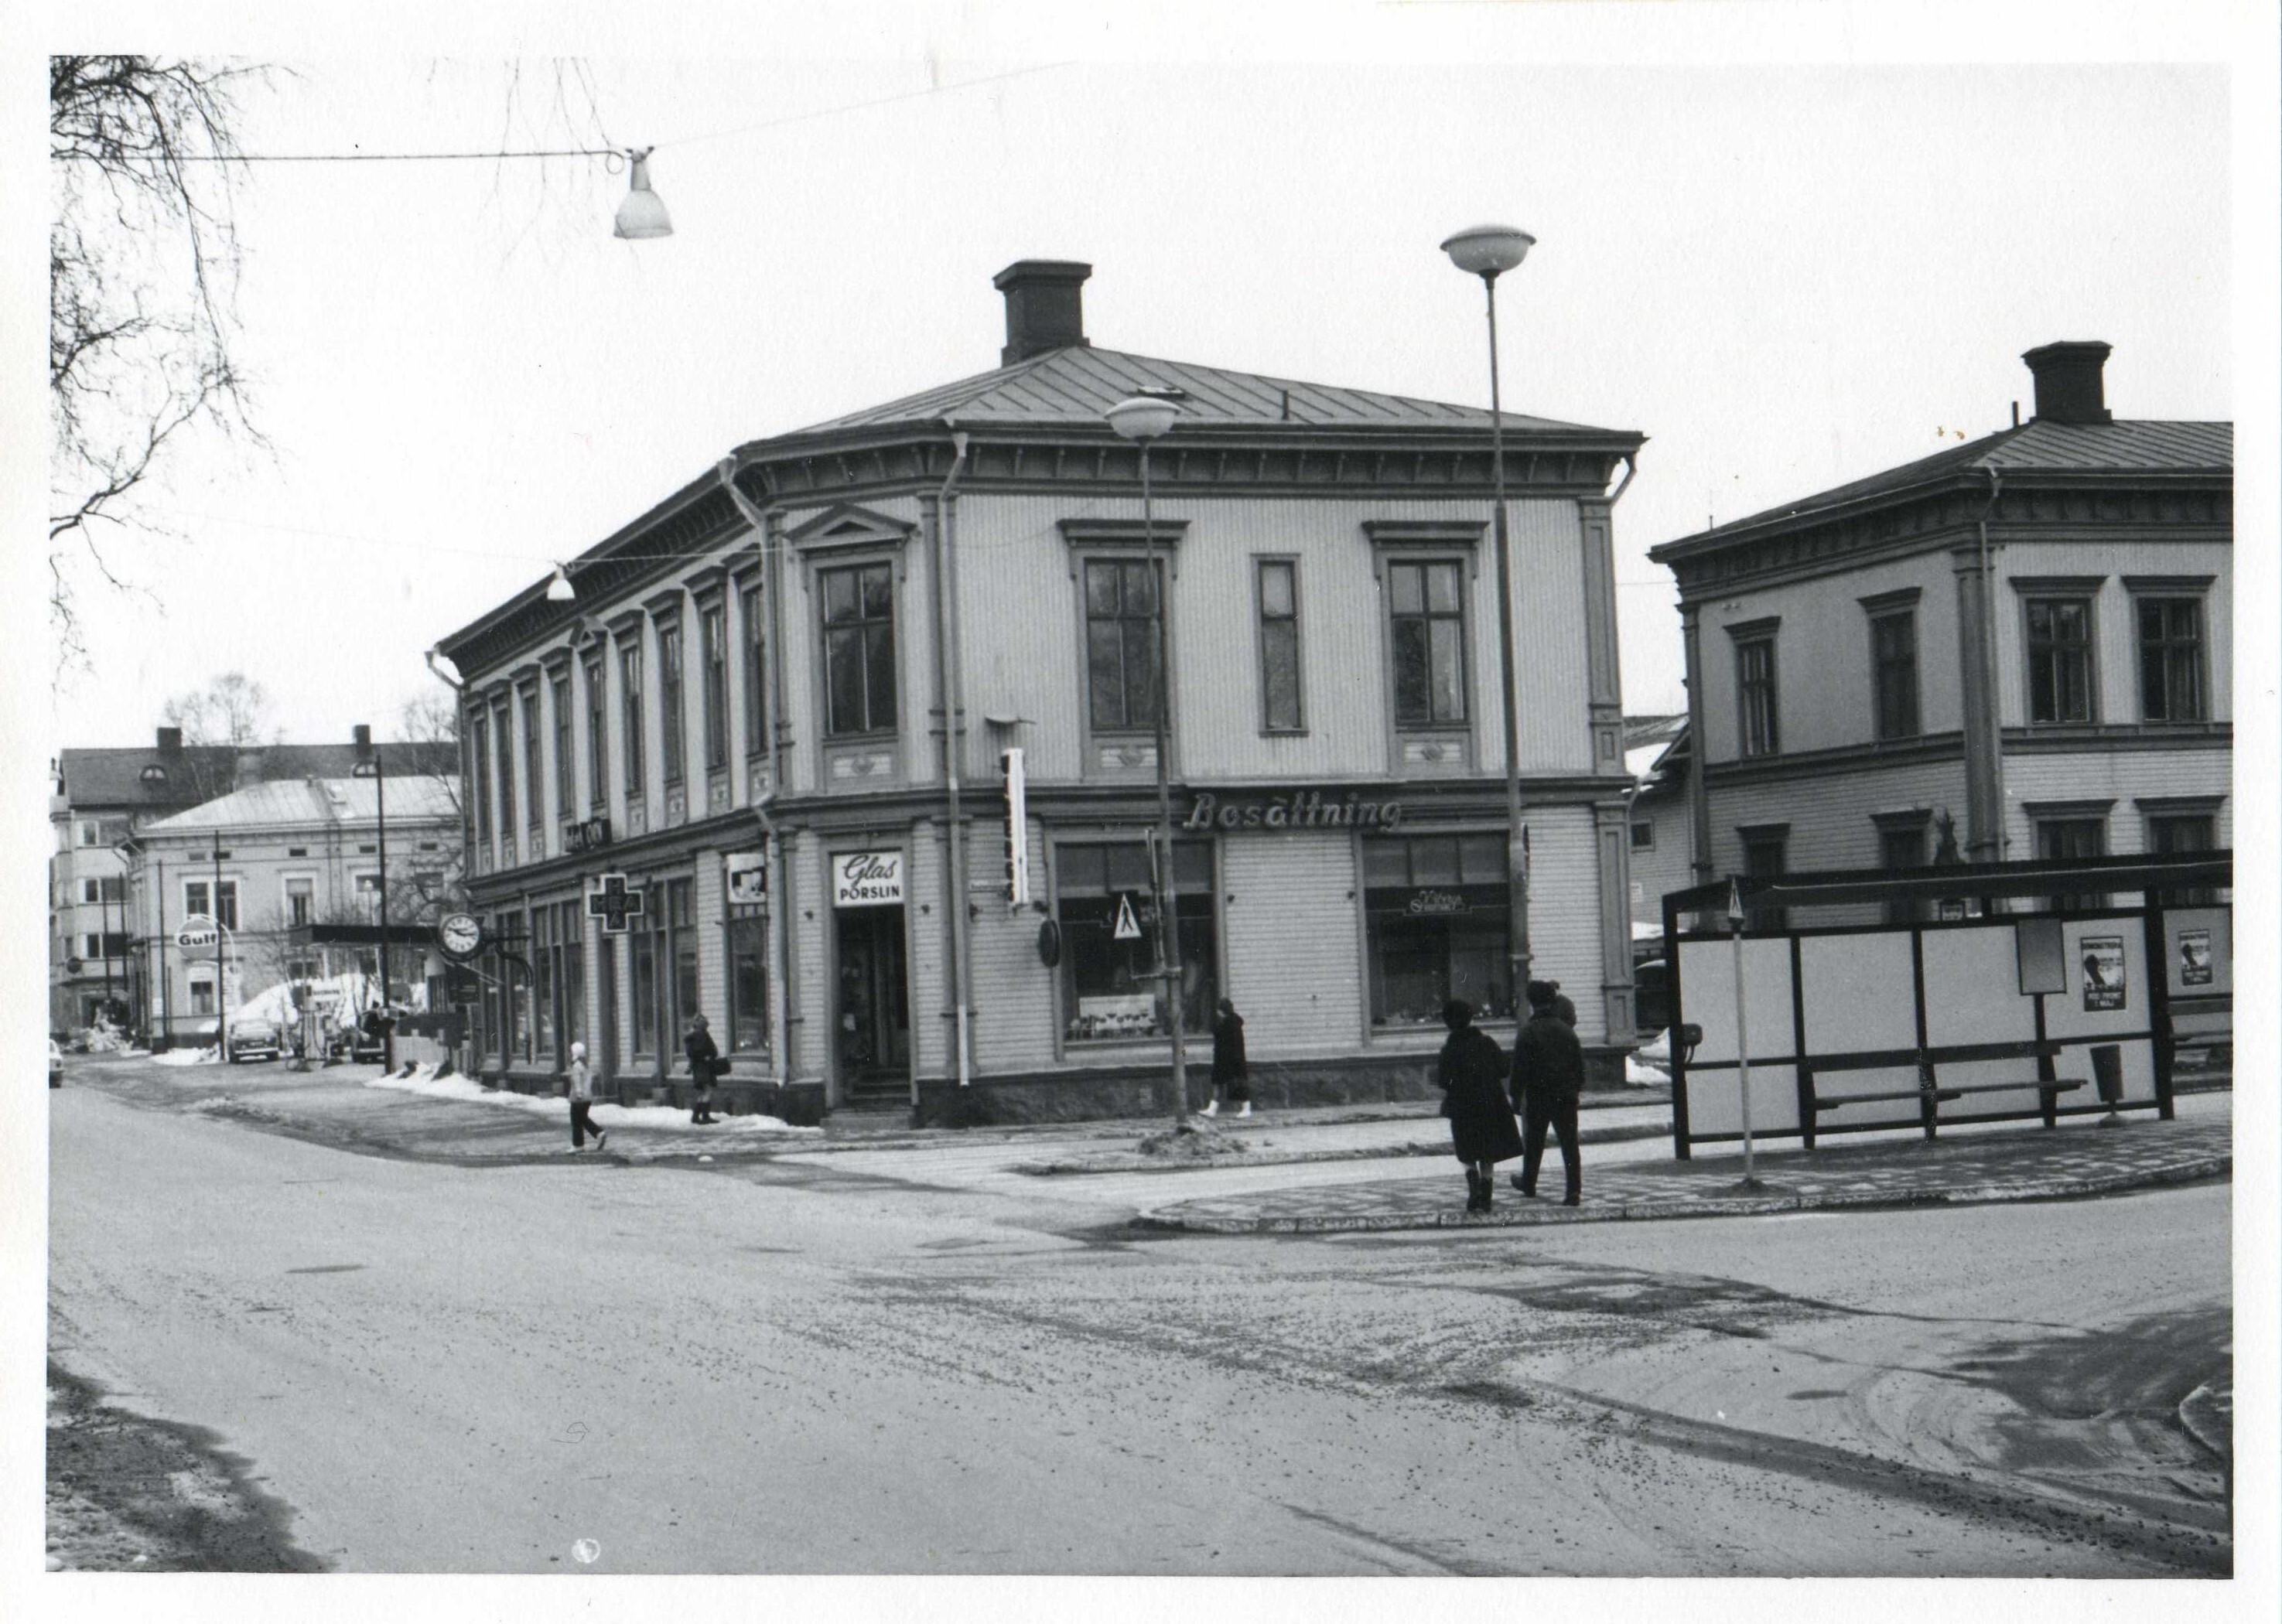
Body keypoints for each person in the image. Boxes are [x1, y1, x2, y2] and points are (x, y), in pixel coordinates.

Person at [1437, 1000, 1523, 1213]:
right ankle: (1486, 1194)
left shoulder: (1449, 1049)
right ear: (1470, 1018)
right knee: (1487, 1150)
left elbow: (1443, 1081)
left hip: (1462, 1107)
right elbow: (1504, 1069)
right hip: (1490, 1103)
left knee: (1466, 1150)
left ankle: (1473, 1188)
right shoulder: (1486, 1042)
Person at [1510, 980, 1584, 1205]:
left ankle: (1529, 1183)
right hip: (1566, 1096)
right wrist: (1574, 1089)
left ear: (1532, 1002)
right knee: (1570, 1144)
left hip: (1538, 1096)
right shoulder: (1567, 1031)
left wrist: (1516, 1097)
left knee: (1534, 1142)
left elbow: (1520, 1069)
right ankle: (1573, 1191)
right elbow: (1579, 1069)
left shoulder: (1528, 1032)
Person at [1204, 998, 1251, 1118]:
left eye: (1219, 1010)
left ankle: (1245, 1109)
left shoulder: (1228, 1025)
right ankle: (1212, 1109)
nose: (1217, 1013)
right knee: (1219, 1083)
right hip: (1227, 1059)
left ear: (1222, 1011)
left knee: (1235, 1084)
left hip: (1229, 1060)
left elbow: (1227, 1042)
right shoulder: (1231, 1023)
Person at [567, 1041, 606, 1152]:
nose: (569, 1053)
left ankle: (579, 1144)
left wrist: (579, 1094)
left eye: (571, 1051)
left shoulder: (576, 1066)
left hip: (578, 1097)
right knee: (582, 1118)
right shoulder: (586, 1065)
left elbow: (577, 1081)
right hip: (588, 1097)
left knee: (576, 1121)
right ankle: (597, 1134)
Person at [684, 1014, 723, 1124]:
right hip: (706, 1067)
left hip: (697, 1068)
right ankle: (705, 1116)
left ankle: (696, 1116)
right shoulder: (703, 1035)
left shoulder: (691, 1037)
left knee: (702, 1093)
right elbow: (713, 1051)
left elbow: (691, 1053)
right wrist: (708, 1057)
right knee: (708, 1091)